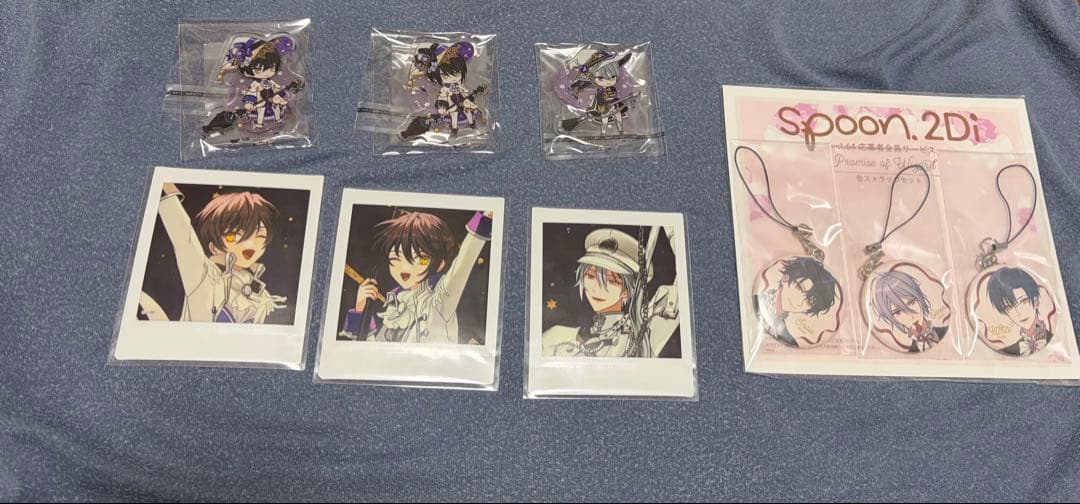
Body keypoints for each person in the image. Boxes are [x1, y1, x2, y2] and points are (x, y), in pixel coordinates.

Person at [140, 183, 286, 323]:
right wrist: (165, 187)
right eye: (235, 236)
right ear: (214, 248)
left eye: (260, 237)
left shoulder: (261, 294)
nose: (250, 245)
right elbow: (184, 238)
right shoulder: (205, 275)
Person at [340, 210, 492, 343]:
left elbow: (463, 263)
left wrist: (485, 218)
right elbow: (373, 353)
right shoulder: (396, 306)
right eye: (395, 258)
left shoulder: (439, 300)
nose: (405, 269)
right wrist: (360, 309)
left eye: (421, 259)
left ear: (440, 264)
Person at [542, 228, 679, 358]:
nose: (596, 288)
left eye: (612, 281)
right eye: (590, 276)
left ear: (628, 290)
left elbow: (683, 287)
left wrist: (672, 228)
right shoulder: (556, 336)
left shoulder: (639, 334)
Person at [755, 257, 838, 347]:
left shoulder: (788, 338)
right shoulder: (754, 300)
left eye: (808, 303)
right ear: (785, 278)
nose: (799, 303)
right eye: (800, 288)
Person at [870, 270, 947, 352]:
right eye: (898, 312)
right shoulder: (910, 351)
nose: (910, 315)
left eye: (912, 302)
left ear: (919, 298)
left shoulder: (944, 331)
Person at [987, 267, 1052, 356]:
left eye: (1023, 301)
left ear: (1036, 301)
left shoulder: (1053, 340)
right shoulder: (1008, 350)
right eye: (1009, 307)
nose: (1019, 313)